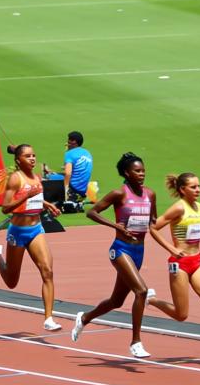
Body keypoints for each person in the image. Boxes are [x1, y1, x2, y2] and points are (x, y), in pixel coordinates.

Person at [71, 153, 178, 357]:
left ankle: (84, 318)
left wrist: (175, 222)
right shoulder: (118, 194)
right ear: (127, 173)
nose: (141, 174)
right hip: (120, 249)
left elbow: (153, 222)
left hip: (139, 251)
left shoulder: (150, 194)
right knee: (142, 291)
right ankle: (135, 342)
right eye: (137, 171)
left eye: (143, 170)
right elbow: (91, 212)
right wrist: (115, 225)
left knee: (116, 301)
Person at [146, 172, 200, 366]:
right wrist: (171, 248)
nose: (198, 190)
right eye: (193, 187)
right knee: (181, 315)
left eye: (199, 186)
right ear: (182, 190)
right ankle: (150, 299)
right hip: (179, 264)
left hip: (197, 261)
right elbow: (153, 228)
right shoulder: (178, 208)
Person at [0, 144, 62, 331]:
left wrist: (47, 204)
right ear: (19, 160)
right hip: (18, 232)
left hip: (36, 229)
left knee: (47, 271)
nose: (33, 159)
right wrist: (26, 196)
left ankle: (49, 318)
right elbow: (5, 207)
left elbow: (35, 197)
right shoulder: (15, 179)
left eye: (34, 155)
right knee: (12, 282)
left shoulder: (37, 177)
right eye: (28, 156)